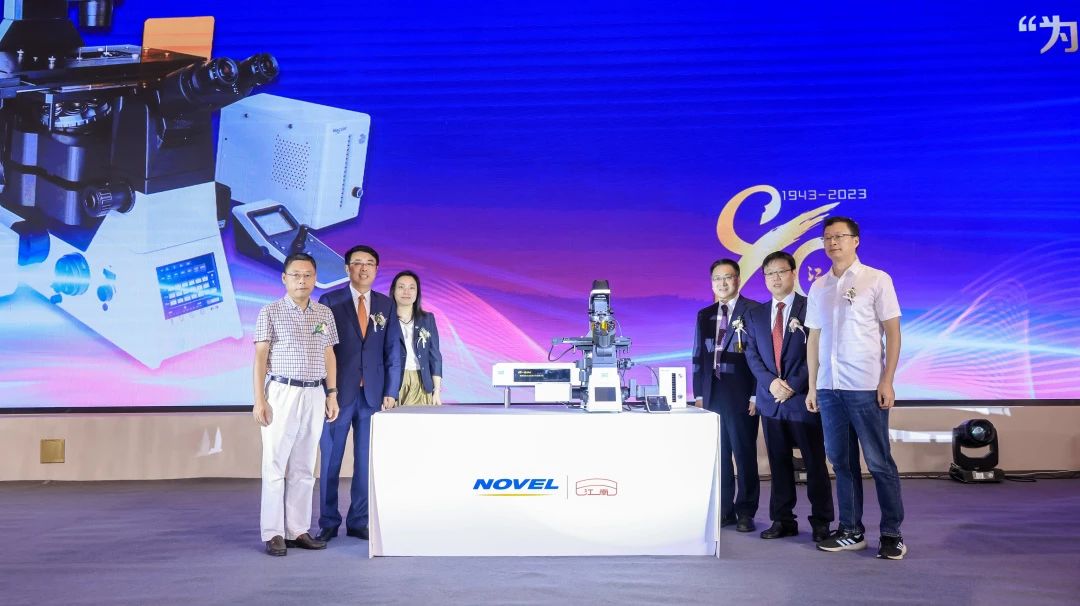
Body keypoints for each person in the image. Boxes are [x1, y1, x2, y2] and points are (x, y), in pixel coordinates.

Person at [804, 216, 906, 560]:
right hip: (829, 388)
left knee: (879, 462)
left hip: (865, 386)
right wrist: (813, 386)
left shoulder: (876, 279)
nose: (832, 242)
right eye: (827, 238)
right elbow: (814, 338)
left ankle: (891, 533)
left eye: (839, 236)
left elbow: (893, 332)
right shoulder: (818, 287)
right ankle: (851, 530)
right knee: (841, 463)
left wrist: (887, 379)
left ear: (855, 240)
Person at [252, 252, 340, 556]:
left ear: (315, 278)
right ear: (284, 278)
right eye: (296, 275)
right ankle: (273, 532)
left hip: (314, 393)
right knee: (275, 464)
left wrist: (332, 393)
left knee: (304, 465)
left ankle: (297, 529)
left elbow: (329, 354)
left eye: (307, 275)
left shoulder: (323, 313)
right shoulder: (270, 312)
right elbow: (260, 358)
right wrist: (259, 400)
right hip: (281, 392)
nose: (302, 280)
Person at [744, 251, 834, 543]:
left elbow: (818, 350)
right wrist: (771, 383)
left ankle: (821, 521)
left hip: (803, 398)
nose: (775, 278)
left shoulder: (811, 308)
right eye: (769, 273)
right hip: (771, 400)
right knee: (778, 463)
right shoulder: (755, 314)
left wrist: (793, 385)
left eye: (781, 271)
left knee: (814, 462)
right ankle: (783, 520)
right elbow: (752, 355)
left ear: (793, 273)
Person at [315, 245, 403, 543]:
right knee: (331, 460)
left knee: (365, 462)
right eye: (357, 263)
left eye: (369, 263)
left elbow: (393, 351)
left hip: (373, 396)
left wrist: (391, 390)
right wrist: (328, 390)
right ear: (347, 268)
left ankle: (358, 520)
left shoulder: (385, 305)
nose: (363, 268)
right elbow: (322, 349)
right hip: (338, 395)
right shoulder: (330, 301)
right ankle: (328, 521)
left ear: (376, 269)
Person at [692, 258, 762, 532]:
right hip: (713, 394)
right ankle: (725, 510)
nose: (722, 283)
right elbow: (698, 356)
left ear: (738, 279)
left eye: (728, 277)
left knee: (744, 455)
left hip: (742, 394)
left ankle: (746, 511)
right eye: (717, 278)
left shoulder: (754, 310)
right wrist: (699, 394)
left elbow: (760, 358)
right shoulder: (704, 314)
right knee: (719, 456)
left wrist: (756, 395)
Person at [389, 270, 443, 406]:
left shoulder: (427, 319)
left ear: (417, 292)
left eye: (411, 288)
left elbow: (435, 356)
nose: (406, 292)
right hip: (393, 383)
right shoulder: (385, 319)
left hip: (421, 382)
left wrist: (437, 390)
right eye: (401, 287)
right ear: (393, 291)